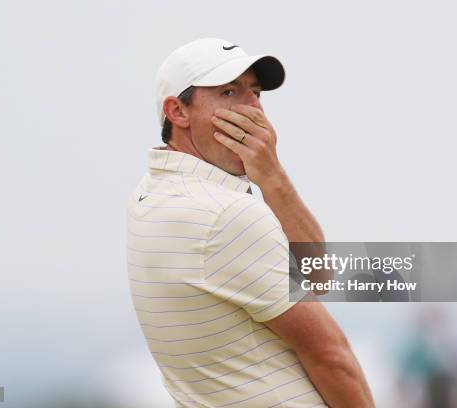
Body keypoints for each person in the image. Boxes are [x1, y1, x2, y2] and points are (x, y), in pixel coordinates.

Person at [127, 38, 374, 408]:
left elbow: (318, 275)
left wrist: (272, 176)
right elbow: (332, 358)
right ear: (177, 112)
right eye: (229, 92)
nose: (254, 109)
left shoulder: (148, 193)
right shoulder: (226, 216)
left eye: (255, 93)